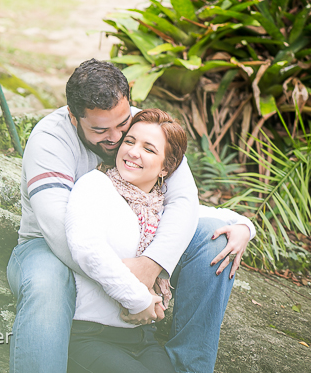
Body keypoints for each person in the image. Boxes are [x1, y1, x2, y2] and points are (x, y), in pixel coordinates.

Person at [7, 59, 244, 373]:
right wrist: (130, 285)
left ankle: (187, 366)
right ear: (73, 118)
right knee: (45, 283)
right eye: (100, 130)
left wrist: (152, 263)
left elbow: (182, 202)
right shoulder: (50, 140)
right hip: (52, 247)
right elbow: (60, 231)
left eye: (122, 124)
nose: (117, 138)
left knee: (214, 238)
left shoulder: (144, 128)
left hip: (134, 241)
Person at [64, 109, 254, 373]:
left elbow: (216, 216)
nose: (133, 152)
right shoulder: (95, 186)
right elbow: (87, 249)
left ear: (166, 168)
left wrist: (244, 228)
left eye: (148, 149)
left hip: (142, 339)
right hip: (91, 336)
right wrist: (139, 300)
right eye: (129, 141)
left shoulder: (158, 209)